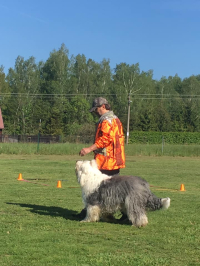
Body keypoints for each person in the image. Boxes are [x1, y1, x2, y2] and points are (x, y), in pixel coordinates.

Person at [77, 97, 126, 219]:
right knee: (113, 191)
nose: (95, 112)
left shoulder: (106, 121)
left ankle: (90, 213)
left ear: (103, 106)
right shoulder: (115, 119)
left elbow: (105, 139)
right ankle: (117, 213)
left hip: (107, 162)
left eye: (96, 109)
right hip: (115, 160)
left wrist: (89, 149)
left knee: (97, 189)